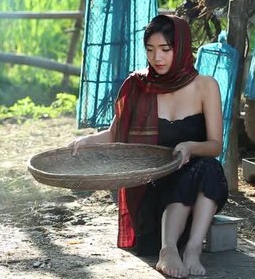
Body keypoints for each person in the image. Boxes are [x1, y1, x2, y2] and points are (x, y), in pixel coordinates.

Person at [68, 15, 228, 278]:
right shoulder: (139, 85)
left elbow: (215, 145)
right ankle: (167, 251)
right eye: (150, 50)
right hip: (153, 190)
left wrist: (189, 146)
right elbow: (116, 134)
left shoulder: (205, 86)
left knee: (207, 167)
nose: (158, 58)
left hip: (200, 190)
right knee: (182, 177)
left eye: (165, 49)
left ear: (182, 48)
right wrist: (85, 142)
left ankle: (191, 250)